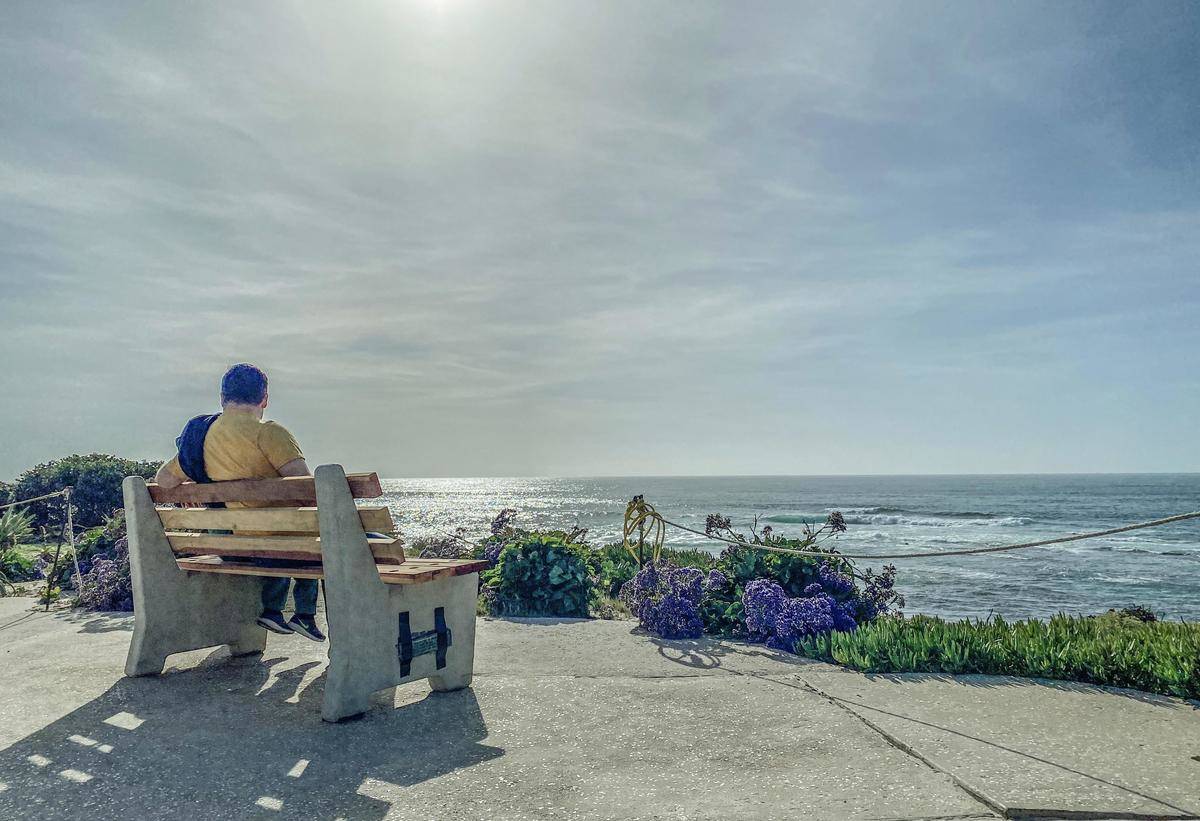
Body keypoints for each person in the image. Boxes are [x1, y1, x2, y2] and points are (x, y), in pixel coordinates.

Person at [154, 363, 325, 642]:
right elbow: (307, 489)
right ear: (265, 399)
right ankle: (304, 616)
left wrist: (195, 487)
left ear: (222, 398)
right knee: (309, 536)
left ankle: (274, 610)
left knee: (279, 534)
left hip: (230, 547)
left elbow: (163, 480)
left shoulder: (201, 438)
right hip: (283, 548)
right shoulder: (270, 433)